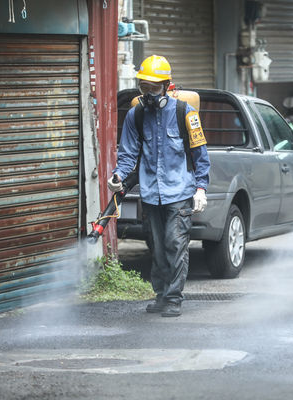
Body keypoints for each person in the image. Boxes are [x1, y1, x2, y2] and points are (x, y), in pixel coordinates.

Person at [108, 55, 210, 317]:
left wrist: (201, 188)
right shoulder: (136, 115)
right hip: (151, 194)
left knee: (174, 243)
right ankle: (161, 295)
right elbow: (128, 153)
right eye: (144, 87)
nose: (149, 94)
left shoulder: (185, 113)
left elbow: (200, 155)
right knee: (156, 246)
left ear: (167, 86)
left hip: (179, 193)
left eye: (154, 88)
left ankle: (174, 297)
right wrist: (119, 175)